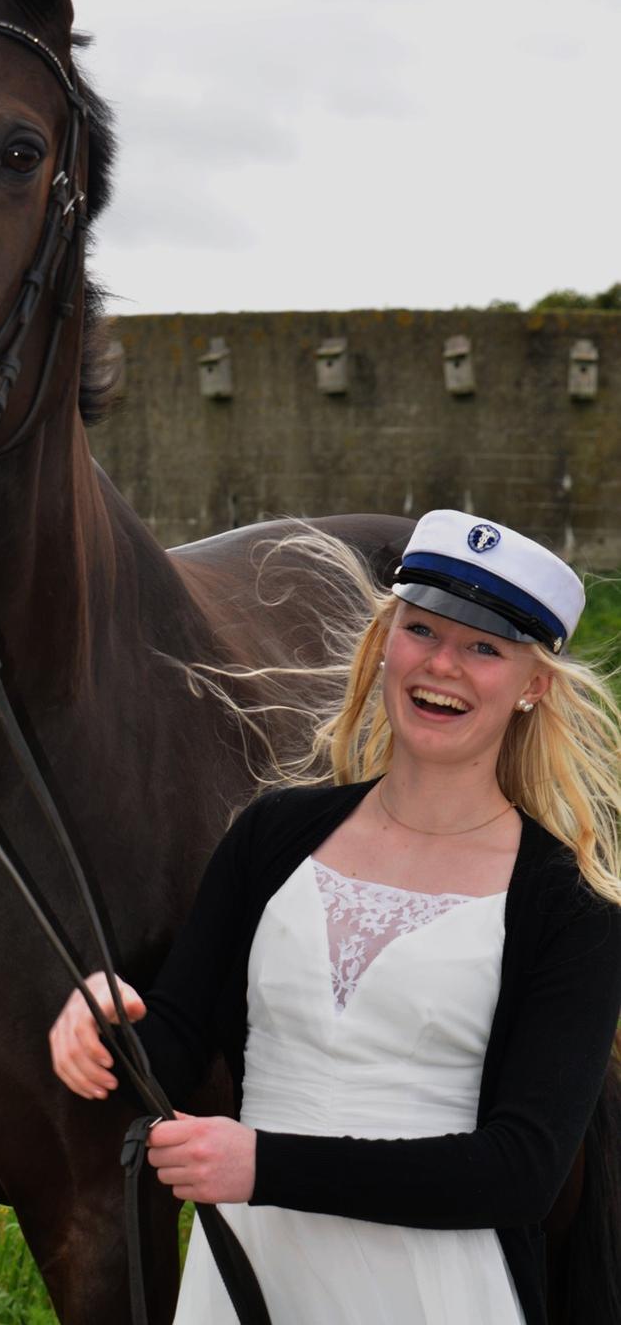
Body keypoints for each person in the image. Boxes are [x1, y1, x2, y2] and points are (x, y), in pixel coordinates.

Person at [49, 510, 621, 1325]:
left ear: (533, 684)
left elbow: (521, 1171)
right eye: (422, 629)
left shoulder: (569, 906)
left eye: (485, 648)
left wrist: (264, 1167)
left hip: (433, 1293)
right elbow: (171, 1050)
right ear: (387, 641)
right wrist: (105, 1022)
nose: (443, 665)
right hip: (247, 1277)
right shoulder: (271, 836)